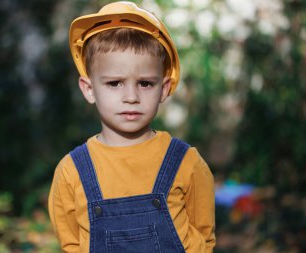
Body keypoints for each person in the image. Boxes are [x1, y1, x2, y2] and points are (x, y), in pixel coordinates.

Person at [48, 1, 216, 253]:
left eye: (145, 83)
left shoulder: (186, 162)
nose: (131, 96)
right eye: (115, 83)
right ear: (89, 89)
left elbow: (204, 238)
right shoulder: (72, 172)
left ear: (165, 88)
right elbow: (71, 243)